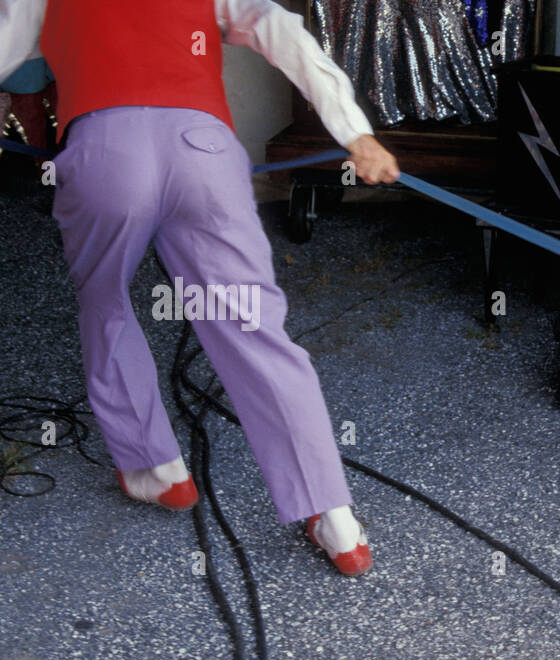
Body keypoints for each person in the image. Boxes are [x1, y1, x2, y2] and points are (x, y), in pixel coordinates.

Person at [0, 0, 399, 575]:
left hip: (103, 151)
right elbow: (281, 31)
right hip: (202, 149)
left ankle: (156, 469)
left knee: (105, 303)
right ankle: (334, 518)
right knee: (252, 326)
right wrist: (354, 132)